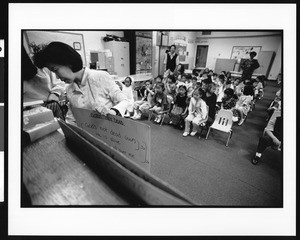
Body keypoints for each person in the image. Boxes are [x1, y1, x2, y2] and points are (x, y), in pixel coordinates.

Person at [33, 41, 129, 124]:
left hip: (110, 134)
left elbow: (125, 101)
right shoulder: (69, 89)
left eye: (55, 70)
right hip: (89, 137)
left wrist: (113, 112)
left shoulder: (100, 77)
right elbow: (72, 118)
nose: (57, 77)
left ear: (68, 62)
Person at [22, 45, 66, 119]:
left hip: (50, 103)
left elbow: (59, 81)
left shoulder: (38, 63)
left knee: (61, 128)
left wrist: (55, 94)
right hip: (28, 110)